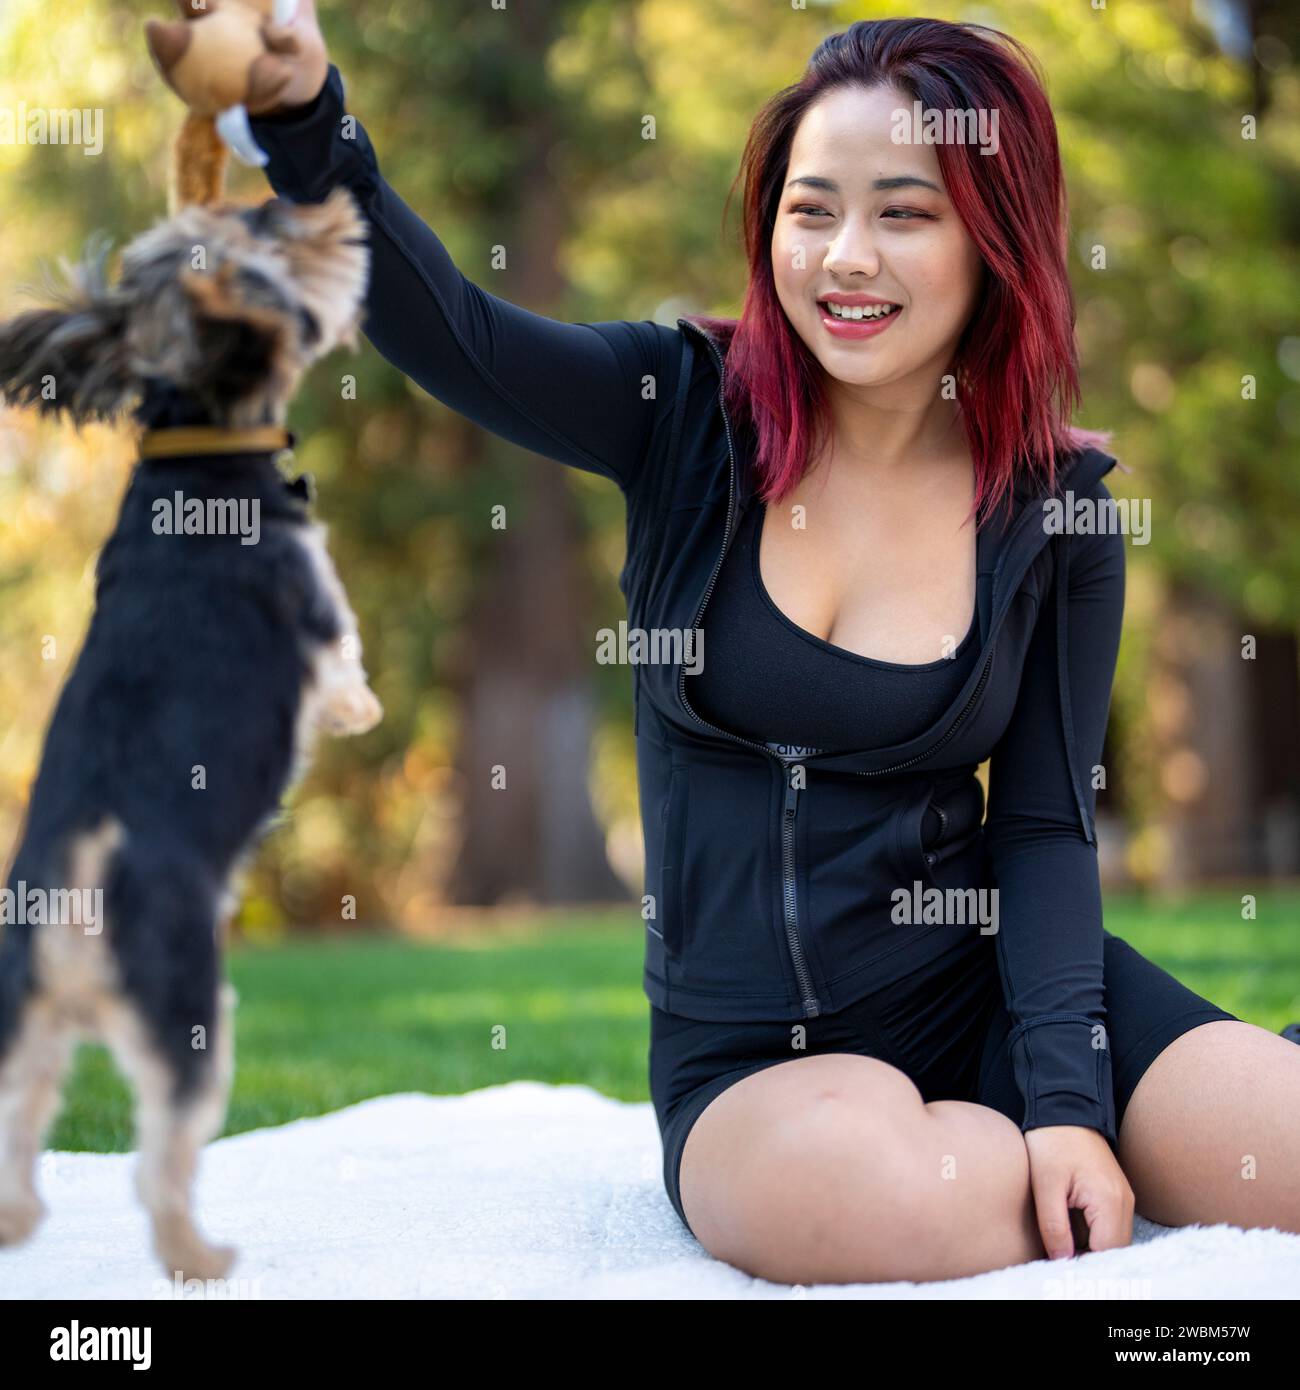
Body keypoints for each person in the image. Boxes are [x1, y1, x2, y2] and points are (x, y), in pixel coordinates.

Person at [241, 7, 1300, 1284]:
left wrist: (1068, 1101)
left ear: (994, 234)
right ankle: (997, 1165)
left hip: (987, 1000)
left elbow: (1040, 829)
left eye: (903, 212)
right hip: (759, 1071)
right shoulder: (680, 412)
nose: (846, 258)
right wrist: (308, 117)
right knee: (879, 1205)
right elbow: (451, 331)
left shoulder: (1056, 506)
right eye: (812, 211)